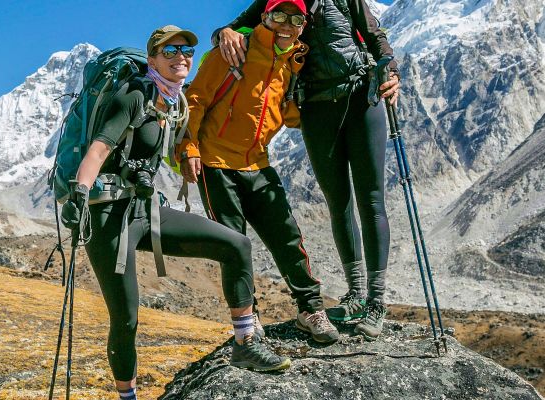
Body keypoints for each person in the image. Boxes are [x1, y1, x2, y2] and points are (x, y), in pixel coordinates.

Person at [61, 25, 290, 400]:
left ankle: (245, 342)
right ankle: (128, 397)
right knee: (126, 319)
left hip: (144, 210)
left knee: (236, 245)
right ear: (151, 60)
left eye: (186, 51)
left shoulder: (173, 102)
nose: (181, 57)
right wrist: (79, 195)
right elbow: (98, 151)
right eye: (170, 51)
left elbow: (170, 147)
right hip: (105, 218)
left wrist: (188, 154)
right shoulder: (134, 94)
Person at [213, 0, 401, 341]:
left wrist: (392, 71)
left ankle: (376, 300)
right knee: (338, 202)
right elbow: (237, 27)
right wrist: (223, 32)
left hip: (361, 96)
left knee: (371, 200)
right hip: (314, 106)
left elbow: (374, 34)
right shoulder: (277, 2)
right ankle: (356, 295)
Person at [178, 0, 339, 344]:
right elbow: (196, 99)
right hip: (215, 163)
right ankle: (248, 321)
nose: (286, 23)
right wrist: (188, 148)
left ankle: (309, 308)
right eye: (278, 15)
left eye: (295, 18)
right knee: (234, 245)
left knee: (287, 236)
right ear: (264, 17)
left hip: (257, 163)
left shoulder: (293, 63)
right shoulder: (232, 49)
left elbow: (288, 114)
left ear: (303, 25)